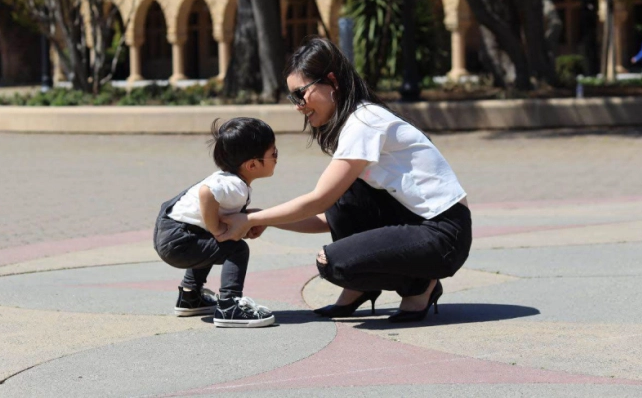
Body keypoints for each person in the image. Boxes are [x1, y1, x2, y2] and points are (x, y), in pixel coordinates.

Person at [219, 38, 472, 323]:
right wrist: (262, 218)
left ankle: (420, 284)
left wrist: (252, 220)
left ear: (331, 82)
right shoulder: (355, 124)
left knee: (333, 262)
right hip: (420, 224)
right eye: (292, 97)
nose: (298, 105)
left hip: (443, 234)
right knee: (344, 193)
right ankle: (357, 290)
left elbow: (319, 199)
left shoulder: (365, 122)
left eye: (300, 93)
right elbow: (329, 216)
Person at [153, 117, 278, 328]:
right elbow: (206, 193)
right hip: (179, 240)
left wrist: (248, 218)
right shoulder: (235, 186)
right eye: (273, 153)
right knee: (236, 249)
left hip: (171, 233)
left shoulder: (228, 179)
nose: (277, 158)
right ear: (253, 164)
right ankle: (230, 305)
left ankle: (190, 296)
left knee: (211, 242)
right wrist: (217, 229)